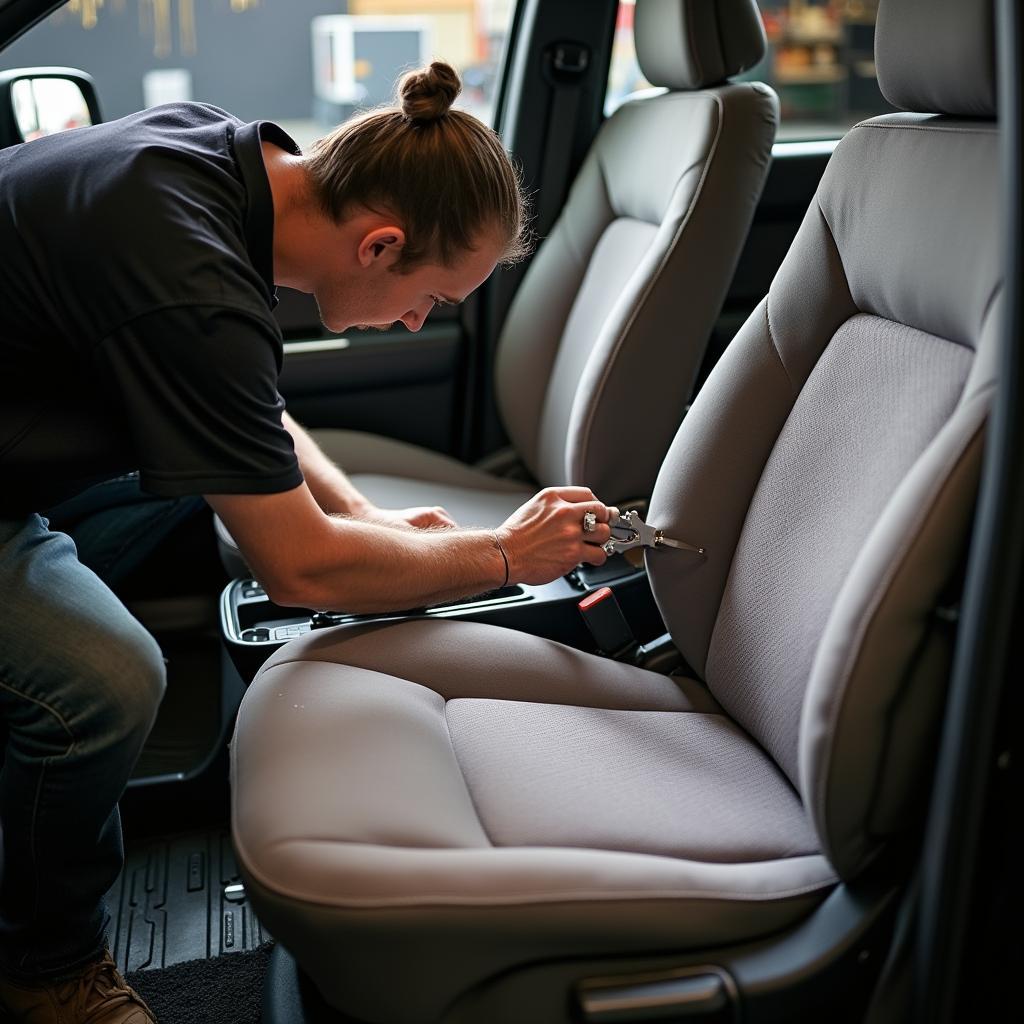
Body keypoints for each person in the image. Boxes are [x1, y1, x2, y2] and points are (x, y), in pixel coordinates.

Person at [0, 62, 613, 1023]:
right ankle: (46, 967)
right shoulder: (190, 279)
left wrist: (364, 522)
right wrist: (503, 556)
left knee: (208, 502)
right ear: (380, 244)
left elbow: (243, 416)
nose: (415, 323)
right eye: (428, 301)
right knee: (104, 683)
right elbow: (301, 565)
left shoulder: (218, 156)